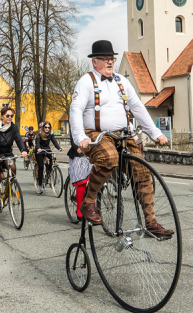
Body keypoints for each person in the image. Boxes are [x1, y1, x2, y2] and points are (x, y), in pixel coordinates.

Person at [71, 40, 172, 237]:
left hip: (124, 134)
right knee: (109, 158)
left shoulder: (121, 81)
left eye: (112, 59)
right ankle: (89, 202)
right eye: (106, 59)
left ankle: (151, 222)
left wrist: (156, 133)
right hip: (96, 134)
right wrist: (79, 136)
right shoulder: (86, 81)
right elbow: (76, 109)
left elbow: (138, 108)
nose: (110, 62)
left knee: (142, 171)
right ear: (95, 62)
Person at [33, 121, 62, 192]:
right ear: (43, 127)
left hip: (47, 148)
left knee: (52, 159)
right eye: (46, 127)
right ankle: (40, 184)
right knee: (41, 167)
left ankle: (49, 173)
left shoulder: (50, 134)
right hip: (39, 150)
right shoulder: (39, 133)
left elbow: (54, 141)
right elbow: (37, 142)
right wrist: (39, 148)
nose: (47, 129)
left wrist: (59, 148)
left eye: (48, 127)